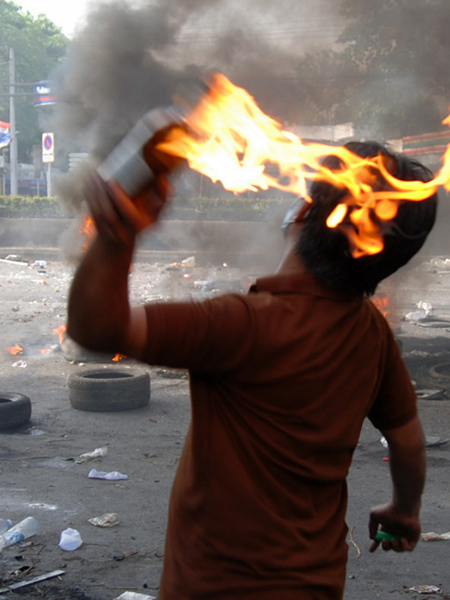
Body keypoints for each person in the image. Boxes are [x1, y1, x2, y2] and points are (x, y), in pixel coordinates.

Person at [67, 140, 437, 600]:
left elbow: (96, 329)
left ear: (303, 215)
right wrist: (405, 511)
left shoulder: (243, 324)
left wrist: (116, 234)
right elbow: (406, 441)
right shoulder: (372, 334)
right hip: (315, 586)